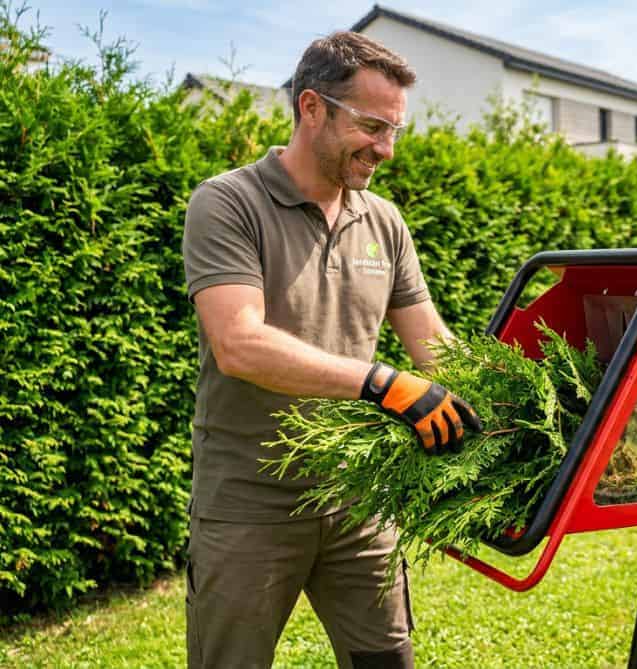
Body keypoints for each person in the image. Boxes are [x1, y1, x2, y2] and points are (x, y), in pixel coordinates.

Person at [182, 30, 481, 669]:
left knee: (386, 658)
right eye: (373, 126)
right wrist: (383, 384)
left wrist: (513, 404)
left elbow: (433, 347)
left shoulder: (383, 221)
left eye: (396, 130)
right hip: (249, 502)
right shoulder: (229, 203)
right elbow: (239, 344)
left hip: (358, 497)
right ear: (311, 107)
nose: (387, 148)